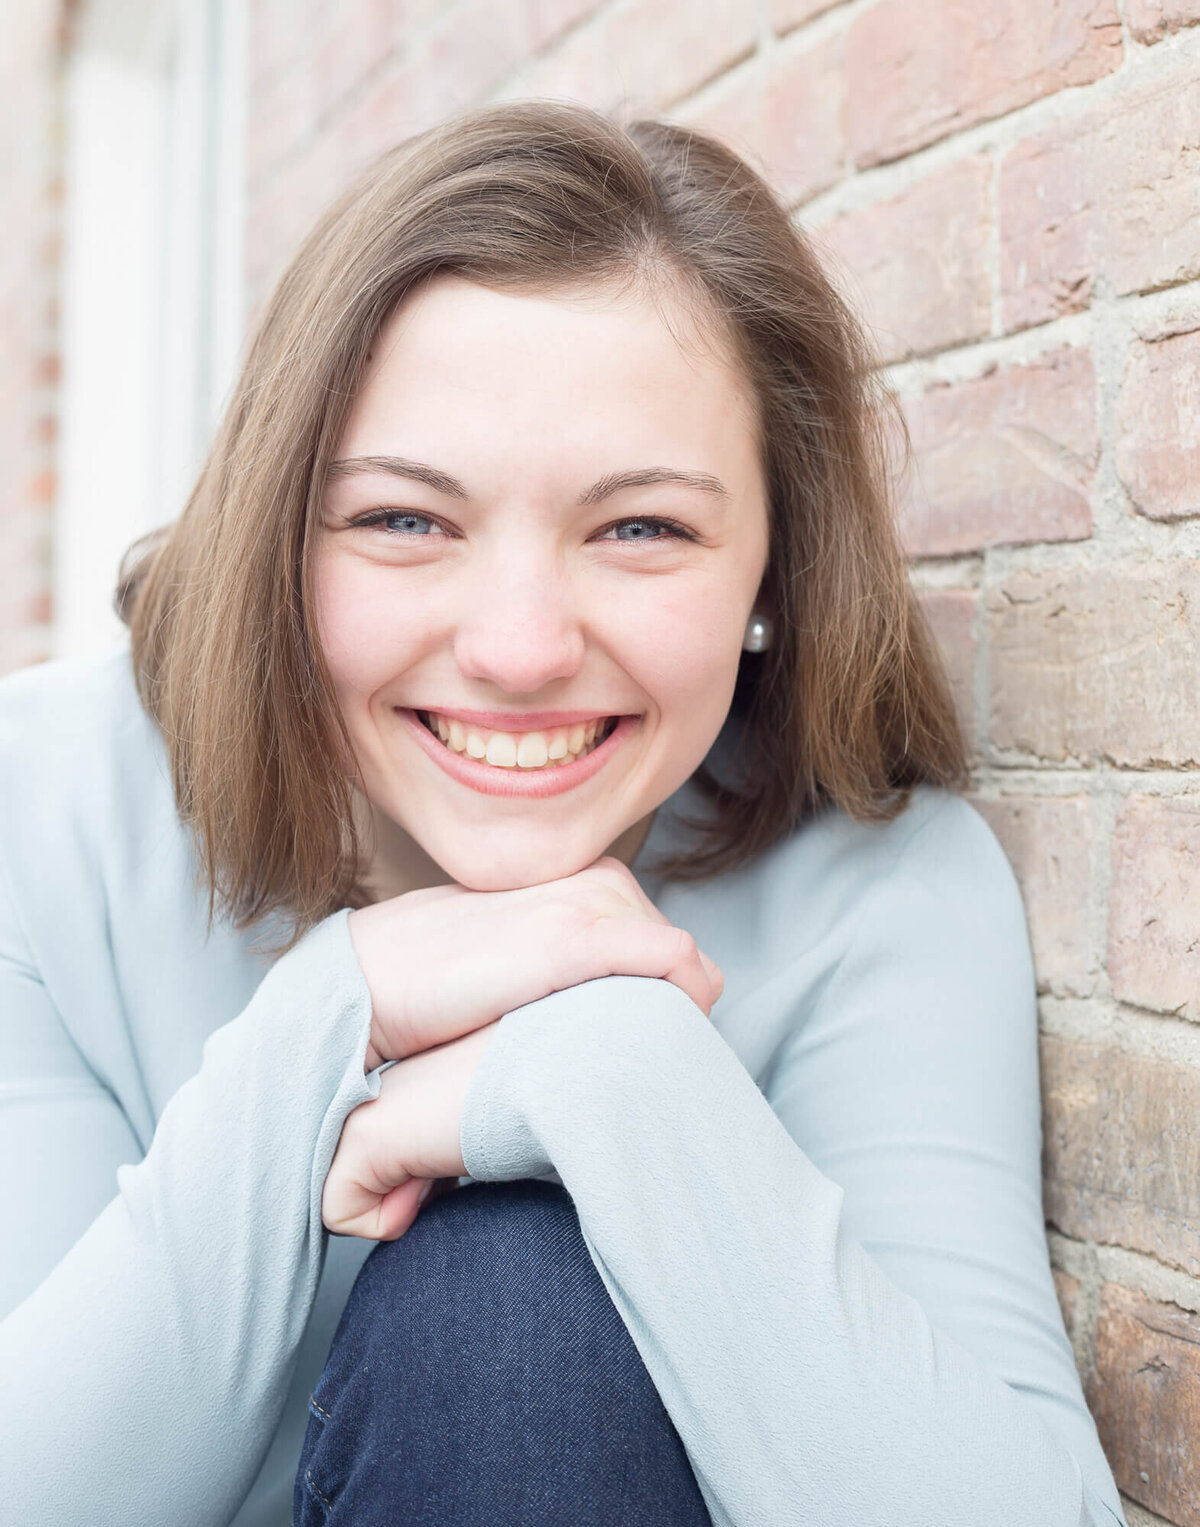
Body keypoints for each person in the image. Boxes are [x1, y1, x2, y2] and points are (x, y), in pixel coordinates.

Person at [0, 99, 1126, 1527]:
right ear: (278, 536)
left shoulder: (879, 887)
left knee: (518, 1295)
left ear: (777, 567)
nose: (521, 648)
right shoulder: (41, 814)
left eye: (641, 528)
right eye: (404, 520)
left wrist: (618, 1072)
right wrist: (326, 1020)